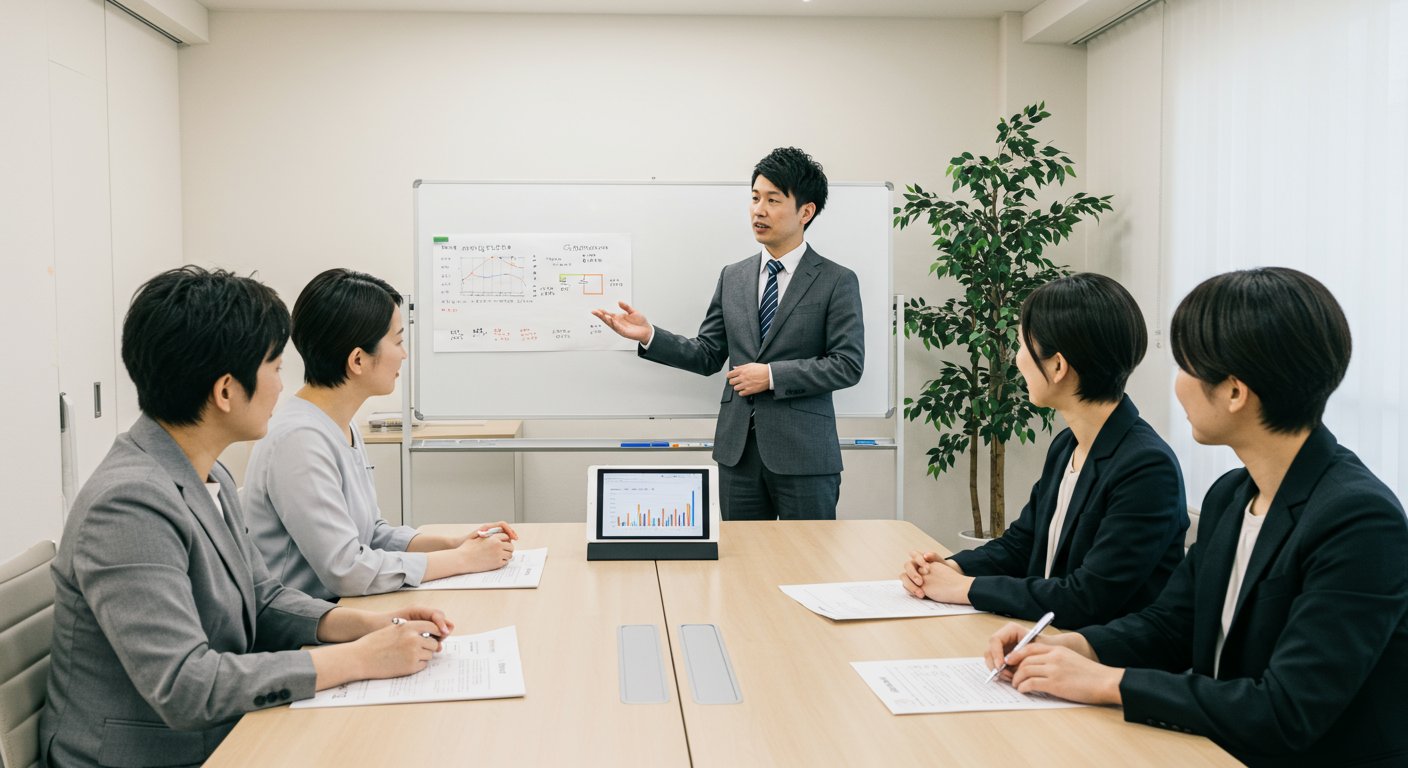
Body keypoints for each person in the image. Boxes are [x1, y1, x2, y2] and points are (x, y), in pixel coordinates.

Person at [985, 268, 1408, 766]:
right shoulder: (1232, 494)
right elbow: (1171, 625)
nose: (1177, 385)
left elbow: (1285, 711)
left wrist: (1107, 682)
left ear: (1234, 392)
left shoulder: (1359, 521)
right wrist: (1072, 646)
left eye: (1186, 366)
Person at [40, 267, 454, 768]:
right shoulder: (127, 505)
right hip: (146, 755)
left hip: (220, 733)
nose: (284, 387)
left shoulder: (203, 471)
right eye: (275, 367)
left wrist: (368, 626)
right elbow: (185, 686)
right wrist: (360, 658)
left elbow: (263, 598)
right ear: (225, 392)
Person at [899, 273, 1187, 629]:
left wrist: (965, 589)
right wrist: (951, 568)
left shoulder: (1146, 467)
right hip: (1043, 646)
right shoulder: (1068, 444)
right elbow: (1022, 544)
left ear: (1057, 365)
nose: (1017, 360)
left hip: (1094, 664)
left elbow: (1086, 598)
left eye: (1021, 345)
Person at [592, 147, 863, 520]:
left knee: (809, 566)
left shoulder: (836, 280)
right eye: (754, 198)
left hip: (805, 456)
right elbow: (707, 355)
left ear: (806, 211)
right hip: (739, 455)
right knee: (742, 567)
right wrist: (648, 335)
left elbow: (847, 364)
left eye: (773, 200)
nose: (758, 210)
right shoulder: (733, 276)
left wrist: (770, 376)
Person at [244, 268, 517, 600]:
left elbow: (371, 534)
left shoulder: (338, 424)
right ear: (358, 360)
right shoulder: (299, 440)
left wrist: (455, 543)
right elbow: (347, 570)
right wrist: (460, 560)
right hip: (305, 627)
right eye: (398, 341)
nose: (404, 354)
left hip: (343, 609)